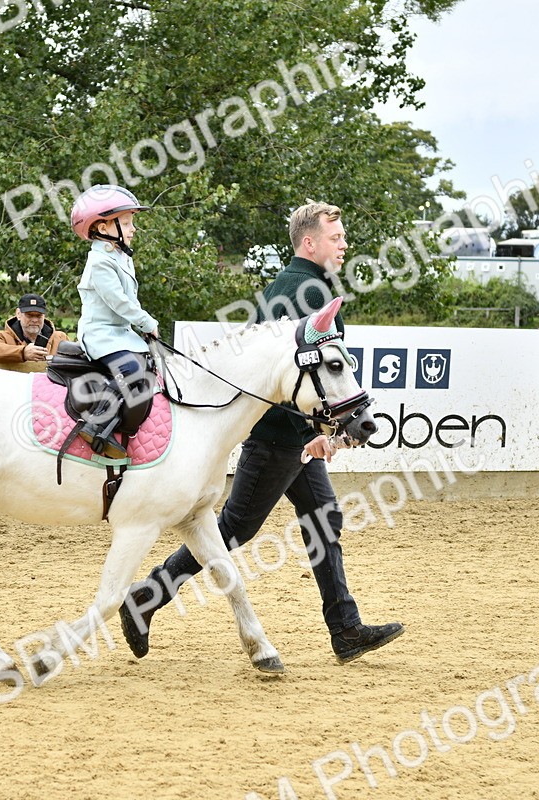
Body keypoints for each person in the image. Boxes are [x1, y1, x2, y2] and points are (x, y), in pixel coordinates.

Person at [119, 201, 404, 665]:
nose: (345, 243)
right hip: (280, 437)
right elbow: (293, 374)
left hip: (289, 435)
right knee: (232, 527)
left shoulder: (294, 286)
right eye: (337, 237)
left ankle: (346, 629)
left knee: (323, 521)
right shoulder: (309, 295)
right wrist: (317, 430)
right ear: (309, 242)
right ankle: (146, 598)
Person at [70, 185, 159, 459]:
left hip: (121, 334)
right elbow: (119, 302)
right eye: (127, 223)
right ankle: (96, 425)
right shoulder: (99, 262)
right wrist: (147, 323)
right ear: (103, 227)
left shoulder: (119, 257)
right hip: (101, 335)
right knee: (131, 369)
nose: (133, 229)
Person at [0, 293, 69, 363]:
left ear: (44, 316)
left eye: (38, 316)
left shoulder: (60, 338)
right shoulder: (4, 337)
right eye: (29, 315)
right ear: (18, 314)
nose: (34, 320)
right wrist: (22, 352)